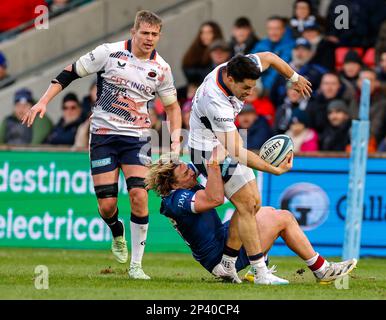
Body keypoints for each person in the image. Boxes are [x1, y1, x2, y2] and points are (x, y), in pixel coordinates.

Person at [22, 10, 182, 280]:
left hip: (138, 138)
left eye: (154, 34)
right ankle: (116, 230)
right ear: (133, 32)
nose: (149, 38)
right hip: (103, 137)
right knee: (107, 206)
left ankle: (136, 266)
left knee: (140, 196)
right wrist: (43, 101)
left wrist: (174, 140)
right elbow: (69, 73)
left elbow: (173, 107)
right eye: (144, 33)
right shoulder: (109, 53)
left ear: (159, 36)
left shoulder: (162, 69)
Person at [188, 51, 312, 284]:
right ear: (231, 79)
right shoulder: (215, 100)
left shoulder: (242, 67)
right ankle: (260, 272)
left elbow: (270, 57)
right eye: (246, 88)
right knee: (247, 203)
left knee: (253, 203)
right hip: (206, 151)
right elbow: (237, 151)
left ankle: (227, 265)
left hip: (221, 143)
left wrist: (294, 78)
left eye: (254, 86)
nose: (250, 93)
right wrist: (273, 169)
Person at [145, 151, 357, 284]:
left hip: (222, 240)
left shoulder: (180, 188)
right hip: (218, 257)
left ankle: (259, 268)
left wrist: (269, 166)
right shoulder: (177, 199)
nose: (191, 173)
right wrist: (214, 166)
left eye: (188, 169)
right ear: (172, 183)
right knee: (276, 216)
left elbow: (220, 155)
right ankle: (321, 270)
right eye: (185, 173)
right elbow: (216, 198)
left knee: (266, 211)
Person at [251, 16, 295, 91]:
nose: (273, 32)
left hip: (279, 90)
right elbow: (251, 66)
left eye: (277, 29)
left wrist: (266, 88)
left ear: (283, 30)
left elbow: (278, 70)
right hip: (258, 89)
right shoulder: (261, 44)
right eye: (270, 29)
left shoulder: (290, 45)